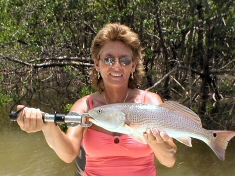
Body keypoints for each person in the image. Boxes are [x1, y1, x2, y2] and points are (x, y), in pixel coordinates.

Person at [17, 23, 177, 176]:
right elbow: (68, 154)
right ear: (97, 64)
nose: (116, 66)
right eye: (108, 59)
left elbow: (169, 160)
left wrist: (156, 141)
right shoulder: (85, 107)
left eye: (125, 60)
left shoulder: (150, 102)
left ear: (133, 66)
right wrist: (47, 125)